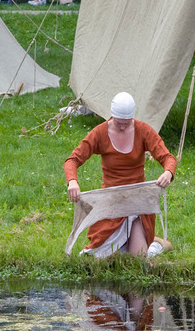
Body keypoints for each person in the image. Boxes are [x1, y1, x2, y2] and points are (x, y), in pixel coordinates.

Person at [65, 92, 177, 259]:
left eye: (126, 123)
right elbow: (72, 160)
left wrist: (168, 172)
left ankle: (156, 244)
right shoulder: (100, 133)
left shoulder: (143, 130)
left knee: (137, 258)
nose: (123, 127)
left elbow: (168, 157)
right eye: (119, 123)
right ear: (112, 117)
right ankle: (147, 242)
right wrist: (72, 182)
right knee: (100, 257)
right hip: (111, 202)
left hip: (137, 201)